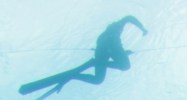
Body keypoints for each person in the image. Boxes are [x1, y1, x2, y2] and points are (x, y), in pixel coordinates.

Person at [18, 17, 148, 95]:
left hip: (101, 52)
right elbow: (129, 17)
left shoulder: (106, 35)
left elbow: (108, 51)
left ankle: (75, 74)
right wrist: (142, 28)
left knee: (98, 80)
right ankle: (91, 65)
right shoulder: (117, 27)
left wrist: (123, 53)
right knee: (125, 66)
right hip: (107, 48)